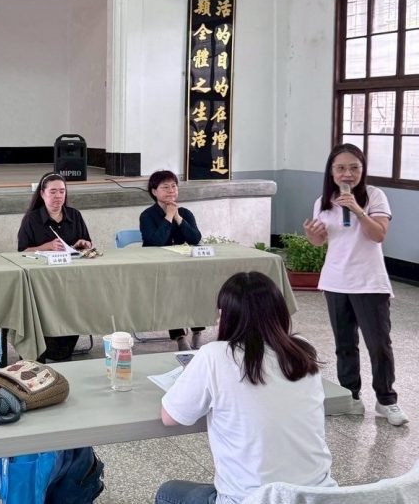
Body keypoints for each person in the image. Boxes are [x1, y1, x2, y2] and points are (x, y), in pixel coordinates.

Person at [155, 272, 335, 504]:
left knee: (168, 492)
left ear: (227, 316)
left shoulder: (215, 355)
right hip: (319, 497)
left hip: (249, 499)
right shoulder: (302, 350)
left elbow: (170, 417)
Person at [303, 143, 408, 426]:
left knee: (379, 345)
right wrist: (312, 234)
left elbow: (378, 235)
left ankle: (387, 400)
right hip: (335, 281)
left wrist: (358, 210)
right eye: (341, 168)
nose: (347, 174)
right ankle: (350, 396)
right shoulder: (323, 201)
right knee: (344, 344)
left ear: (362, 170)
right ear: (331, 172)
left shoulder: (375, 196)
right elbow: (320, 241)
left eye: (354, 168)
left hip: (369, 282)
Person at [18, 172, 92, 362]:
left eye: (62, 191)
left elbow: (87, 243)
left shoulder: (74, 215)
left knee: (78, 305)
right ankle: (40, 351)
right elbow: (21, 251)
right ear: (42, 194)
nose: (58, 196)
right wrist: (47, 246)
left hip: (72, 279)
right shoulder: (32, 219)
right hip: (41, 281)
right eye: (53, 192)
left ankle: (63, 351)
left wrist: (83, 244)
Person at [139, 170, 204, 350]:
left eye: (174, 186)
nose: (171, 190)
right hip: (158, 266)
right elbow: (157, 241)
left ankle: (198, 331)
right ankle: (179, 336)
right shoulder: (147, 215)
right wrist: (168, 216)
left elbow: (195, 238)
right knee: (170, 291)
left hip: (183, 264)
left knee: (196, 285)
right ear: (154, 191)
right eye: (165, 187)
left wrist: (177, 217)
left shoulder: (185, 213)